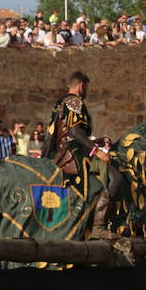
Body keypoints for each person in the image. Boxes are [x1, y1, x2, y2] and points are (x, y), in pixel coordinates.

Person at [43, 71, 114, 234]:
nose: (87, 90)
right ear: (82, 85)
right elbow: (74, 132)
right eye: (87, 87)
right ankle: (98, 226)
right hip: (73, 154)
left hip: (60, 151)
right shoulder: (75, 101)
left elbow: (59, 135)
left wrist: (97, 141)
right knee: (113, 175)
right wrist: (97, 151)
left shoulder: (60, 103)